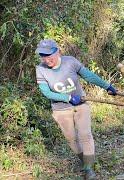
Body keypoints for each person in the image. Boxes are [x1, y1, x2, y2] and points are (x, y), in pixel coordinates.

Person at [35, 39, 117, 179]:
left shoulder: (70, 62)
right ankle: (84, 160)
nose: (46, 59)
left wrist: (106, 86)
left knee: (85, 135)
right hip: (61, 110)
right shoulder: (41, 69)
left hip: (81, 105)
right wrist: (68, 98)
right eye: (43, 56)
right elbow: (46, 92)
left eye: (49, 55)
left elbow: (88, 75)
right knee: (71, 139)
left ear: (58, 52)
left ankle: (89, 169)